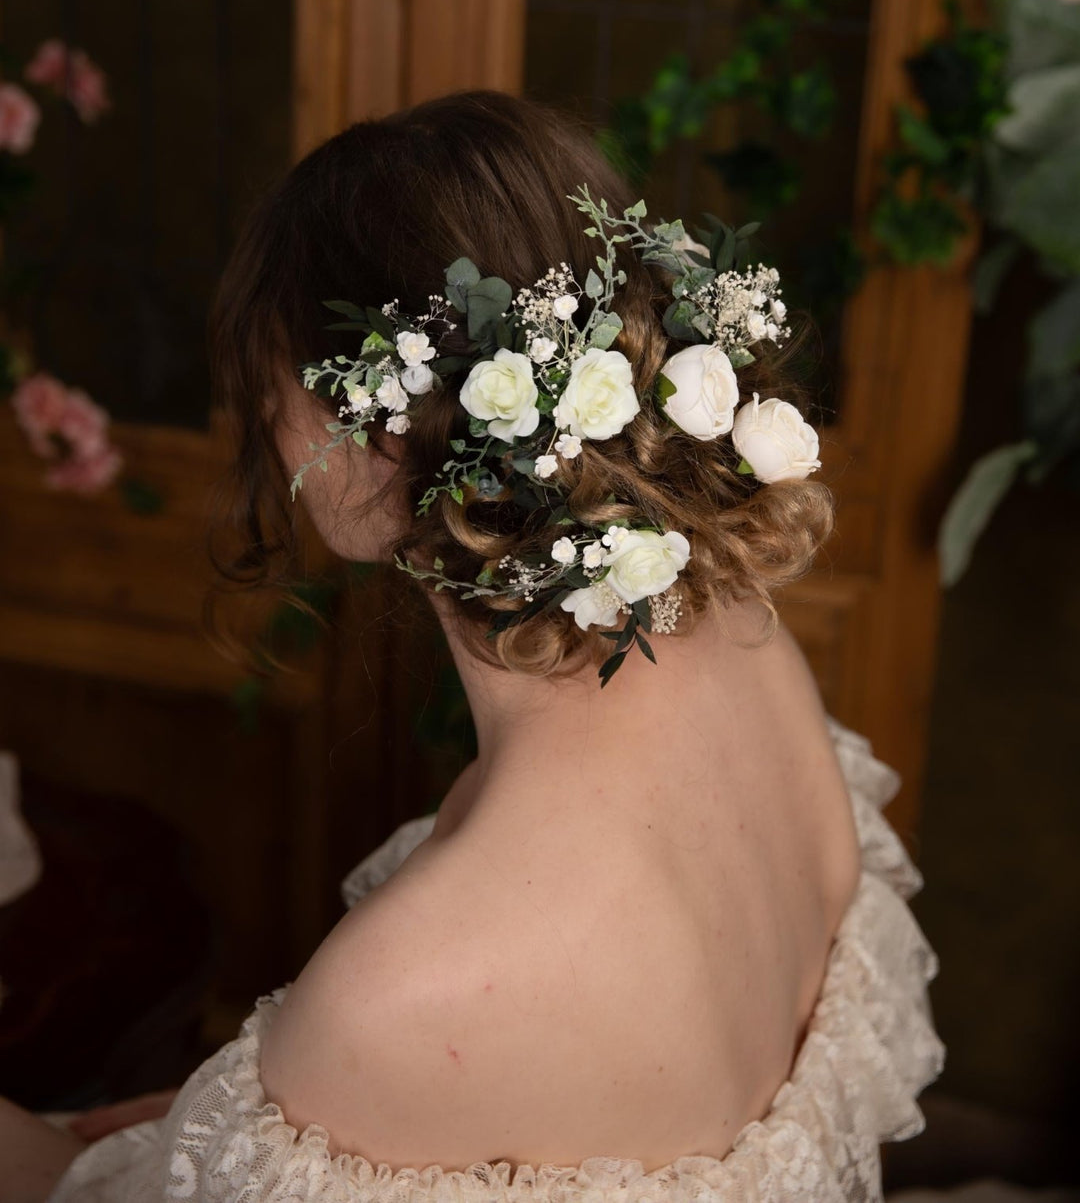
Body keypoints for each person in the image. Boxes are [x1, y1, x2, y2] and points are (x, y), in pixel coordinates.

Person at [1, 90, 944, 1202]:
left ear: (379, 431)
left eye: (271, 385)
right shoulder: (749, 647)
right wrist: (227, 1129)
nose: (263, 423)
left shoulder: (405, 990)